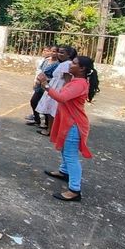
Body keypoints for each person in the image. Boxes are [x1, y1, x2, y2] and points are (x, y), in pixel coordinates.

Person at [41, 56, 99, 202]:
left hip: (73, 124)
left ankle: (74, 189)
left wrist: (46, 86)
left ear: (82, 69)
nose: (70, 65)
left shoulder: (79, 84)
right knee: (65, 151)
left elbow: (62, 97)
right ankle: (64, 171)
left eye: (74, 63)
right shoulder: (75, 81)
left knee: (71, 156)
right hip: (68, 121)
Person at [36, 46, 77, 136]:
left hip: (58, 90)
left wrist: (62, 93)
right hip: (55, 88)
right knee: (51, 111)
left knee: (53, 111)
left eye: (62, 53)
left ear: (69, 55)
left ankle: (51, 130)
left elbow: (67, 81)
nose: (59, 54)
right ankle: (51, 129)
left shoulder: (67, 64)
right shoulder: (63, 63)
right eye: (59, 52)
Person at [26, 46, 58, 126]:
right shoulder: (46, 60)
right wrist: (37, 79)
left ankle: (47, 124)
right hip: (40, 85)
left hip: (49, 85)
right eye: (52, 51)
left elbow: (56, 77)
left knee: (47, 104)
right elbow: (40, 70)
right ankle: (37, 119)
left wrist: (46, 79)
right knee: (33, 101)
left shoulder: (58, 64)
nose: (53, 53)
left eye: (55, 51)